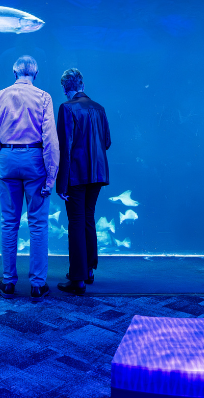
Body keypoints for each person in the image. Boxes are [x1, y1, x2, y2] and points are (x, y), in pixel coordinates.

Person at [0, 55, 59, 302]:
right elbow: (50, 140)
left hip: (7, 160)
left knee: (9, 223)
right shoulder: (44, 97)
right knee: (38, 224)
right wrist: (51, 176)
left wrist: (6, 150)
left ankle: (8, 282)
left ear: (14, 73)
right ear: (35, 74)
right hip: (36, 160)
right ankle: (37, 284)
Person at [55, 69, 111, 296]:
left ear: (65, 88)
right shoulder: (99, 108)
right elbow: (106, 142)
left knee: (76, 221)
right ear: (82, 84)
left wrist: (61, 183)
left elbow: (63, 148)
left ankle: (77, 279)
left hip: (76, 174)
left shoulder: (66, 108)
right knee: (88, 217)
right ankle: (88, 270)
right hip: (98, 173)